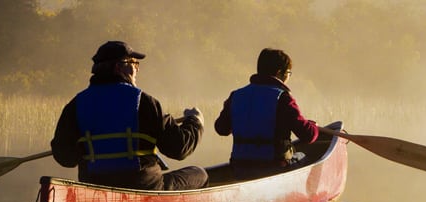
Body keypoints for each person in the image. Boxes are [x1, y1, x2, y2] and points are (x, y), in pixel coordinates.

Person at [52, 41, 208, 190]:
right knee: (200, 174)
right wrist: (195, 122)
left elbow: (64, 157)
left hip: (95, 187)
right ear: (119, 68)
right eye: (134, 63)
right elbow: (179, 148)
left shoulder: (75, 105)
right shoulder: (145, 102)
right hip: (145, 186)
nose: (137, 69)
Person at [215, 48, 331, 180]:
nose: (288, 77)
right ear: (279, 73)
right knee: (305, 157)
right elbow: (308, 136)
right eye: (288, 73)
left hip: (240, 168)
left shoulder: (236, 96)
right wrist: (313, 126)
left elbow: (221, 129)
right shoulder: (282, 98)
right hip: (273, 168)